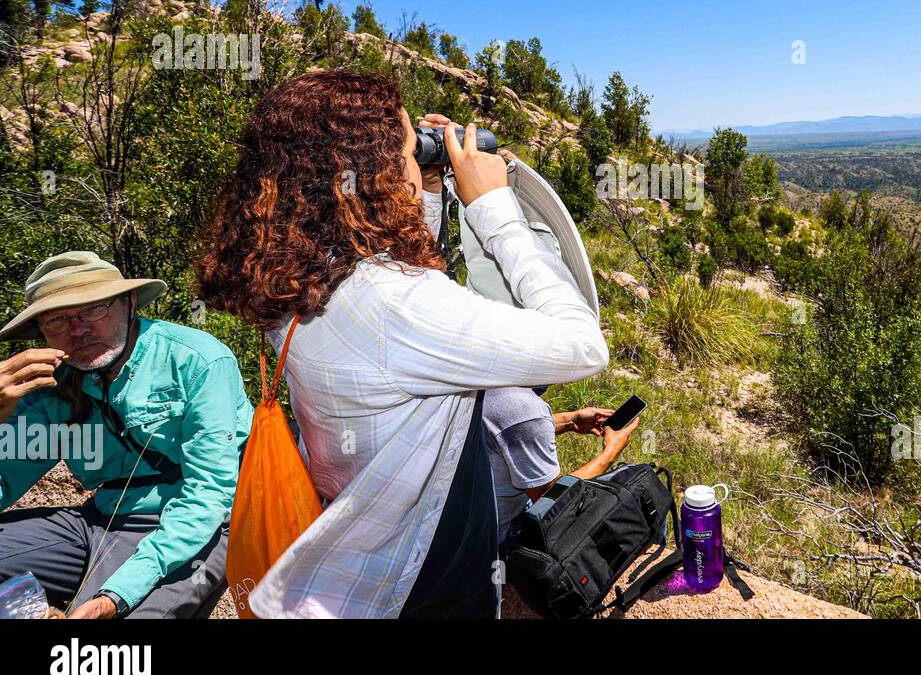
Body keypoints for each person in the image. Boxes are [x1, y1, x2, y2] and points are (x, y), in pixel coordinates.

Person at [195, 70, 608, 618]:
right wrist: (495, 210)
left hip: (367, 538)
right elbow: (582, 343)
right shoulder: (394, 305)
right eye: (410, 153)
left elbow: (399, 280)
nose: (416, 163)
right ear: (373, 175)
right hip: (427, 570)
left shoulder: (303, 278)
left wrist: (430, 189)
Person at [0, 251, 251, 618]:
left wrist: (115, 594)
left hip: (198, 526)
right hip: (99, 519)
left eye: (94, 309)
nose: (78, 328)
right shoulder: (47, 387)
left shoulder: (196, 361)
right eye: (57, 320)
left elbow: (209, 494)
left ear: (130, 302)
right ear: (42, 333)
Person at [485, 390, 639, 552]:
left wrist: (569, 422)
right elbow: (552, 503)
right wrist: (610, 453)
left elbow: (507, 425)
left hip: (467, 517)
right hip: (496, 539)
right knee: (633, 499)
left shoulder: (487, 381)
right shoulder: (523, 408)